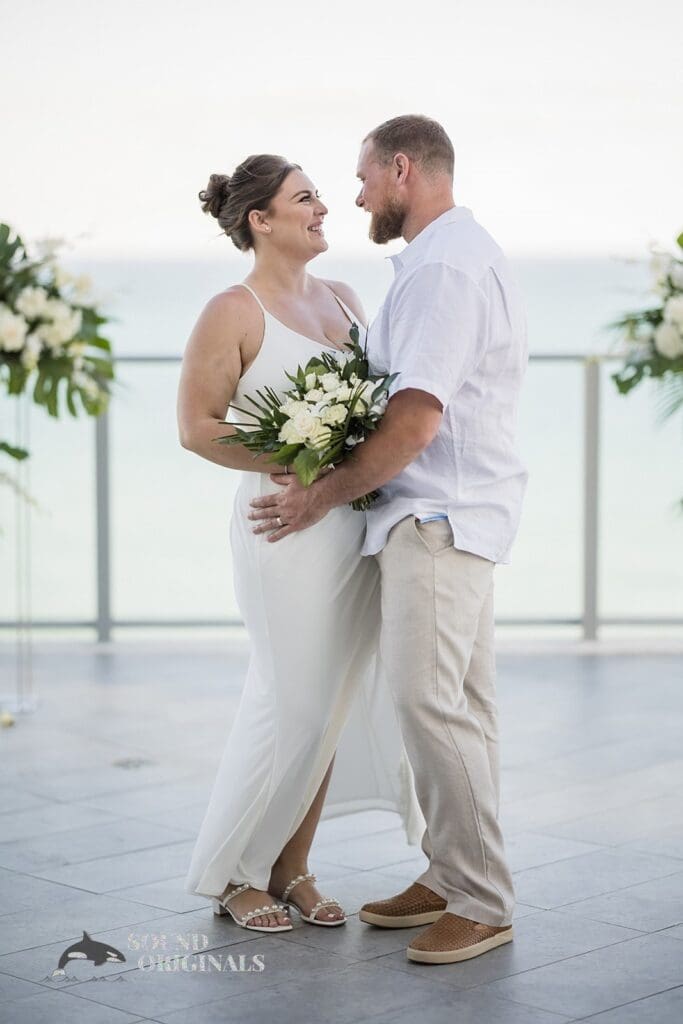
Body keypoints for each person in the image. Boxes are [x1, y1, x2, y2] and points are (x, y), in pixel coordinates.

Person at [248, 115, 529, 964]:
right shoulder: (447, 256)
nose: (357, 194)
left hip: (436, 514)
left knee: (427, 705)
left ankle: (480, 900)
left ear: (402, 169)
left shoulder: (444, 266)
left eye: (364, 176)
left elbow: (414, 418)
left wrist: (318, 496)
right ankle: (450, 873)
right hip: (449, 511)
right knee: (460, 708)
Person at [177, 154, 423, 935]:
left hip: (349, 521)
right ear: (261, 220)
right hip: (282, 526)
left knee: (333, 706)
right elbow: (197, 427)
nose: (325, 209)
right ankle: (232, 872)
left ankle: (292, 868)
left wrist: (346, 470)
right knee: (290, 702)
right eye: (306, 198)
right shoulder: (232, 309)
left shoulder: (345, 299)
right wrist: (293, 458)